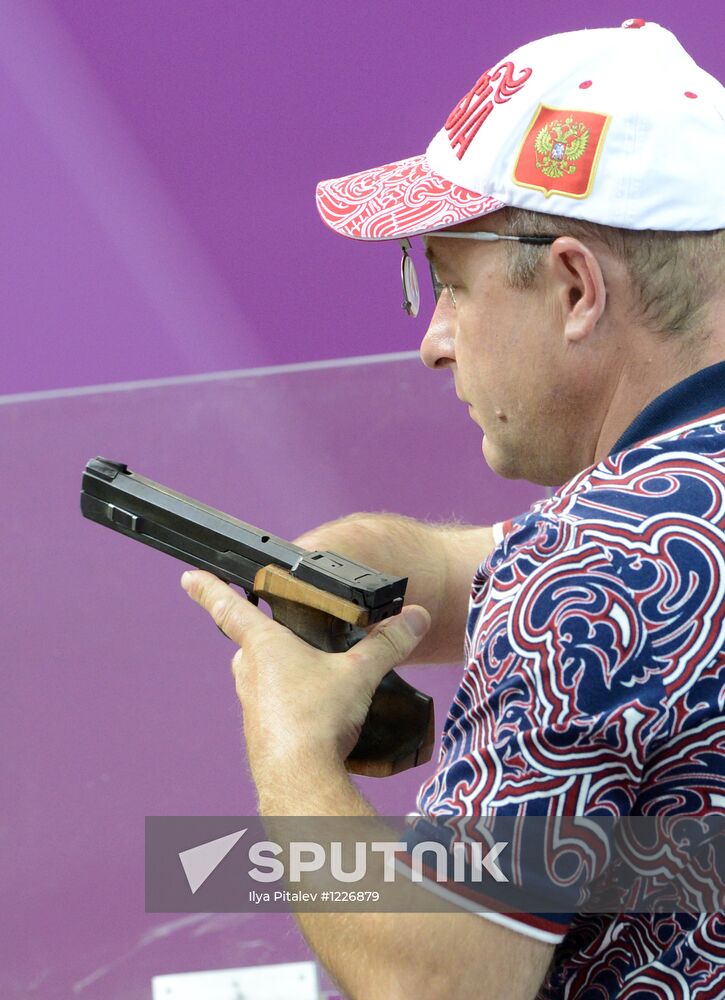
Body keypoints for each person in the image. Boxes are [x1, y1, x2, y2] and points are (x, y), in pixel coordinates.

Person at [181, 20, 725, 999]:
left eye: (449, 284)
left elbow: (441, 984)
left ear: (571, 287)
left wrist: (293, 753)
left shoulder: (584, 567)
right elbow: (567, 580)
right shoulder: (646, 539)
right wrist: (351, 562)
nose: (433, 342)